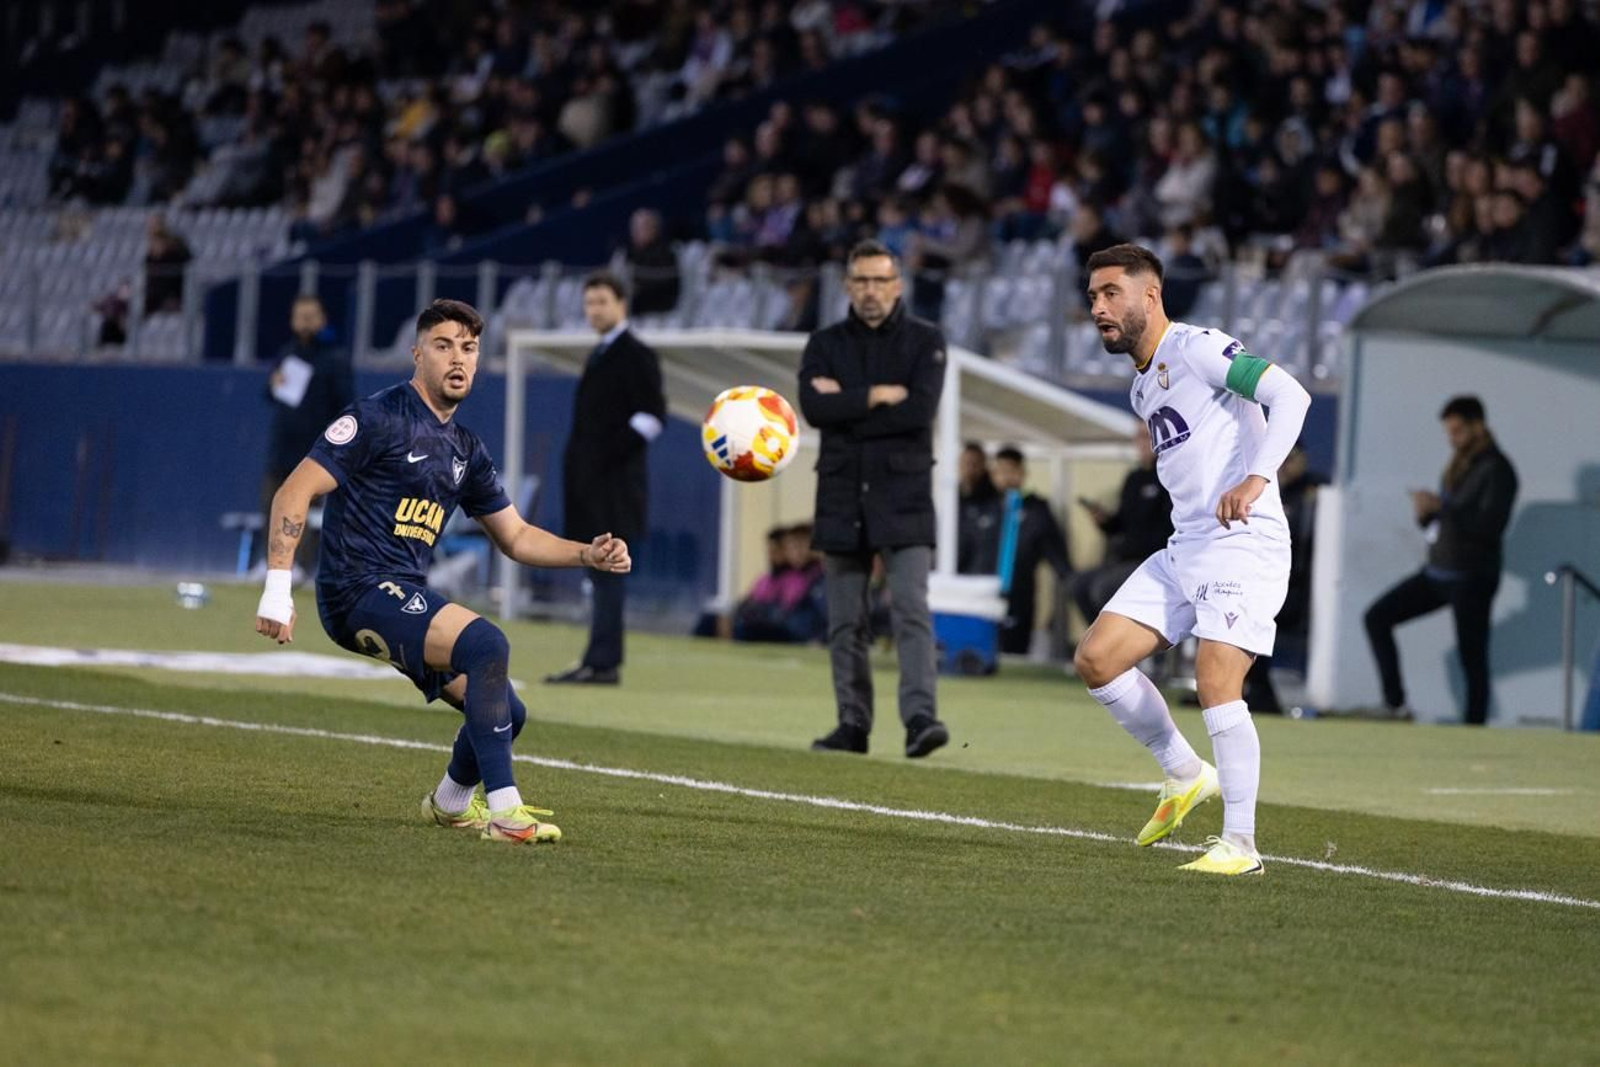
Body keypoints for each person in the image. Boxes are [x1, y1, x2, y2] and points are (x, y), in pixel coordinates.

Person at [252, 299, 632, 844]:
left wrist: (586, 555)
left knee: (506, 710)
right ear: (417, 354)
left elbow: (516, 536)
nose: (458, 358)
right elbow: (293, 491)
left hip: (402, 594)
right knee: (487, 644)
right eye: (444, 345)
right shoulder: (376, 418)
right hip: (356, 590)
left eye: (469, 348)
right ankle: (506, 813)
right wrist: (277, 589)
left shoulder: (465, 450)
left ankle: (450, 803)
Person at [1073, 244, 1311, 877]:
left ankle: (1241, 845)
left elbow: (1291, 396)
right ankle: (1184, 772)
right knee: (1097, 658)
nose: (1098, 307)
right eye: (1093, 296)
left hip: (1243, 541)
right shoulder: (1142, 386)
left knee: (1215, 679)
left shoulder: (1199, 348)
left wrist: (1257, 478)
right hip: (1189, 547)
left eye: (1111, 294)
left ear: (1150, 296)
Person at [798, 239, 950, 759]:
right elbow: (813, 409)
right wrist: (874, 397)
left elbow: (918, 411)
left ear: (897, 285)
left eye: (880, 281)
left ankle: (921, 720)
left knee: (911, 611)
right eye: (861, 281)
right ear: (847, 286)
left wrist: (844, 406)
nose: (870, 290)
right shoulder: (824, 342)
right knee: (845, 622)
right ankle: (852, 725)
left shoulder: (926, 340)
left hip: (904, 497)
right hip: (842, 496)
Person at [1363, 396, 1518, 725]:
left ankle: (1474, 727)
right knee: (1377, 617)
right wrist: (1426, 513)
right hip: (1439, 573)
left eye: (1458, 430)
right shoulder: (1460, 465)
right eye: (1449, 432)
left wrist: (1443, 508)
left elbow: (1489, 528)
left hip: (1473, 576)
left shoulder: (1497, 470)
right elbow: (1443, 523)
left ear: (1478, 426)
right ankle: (1395, 704)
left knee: (1471, 655)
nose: (1452, 438)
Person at [545, 272, 667, 686]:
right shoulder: (600, 353)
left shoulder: (635, 354)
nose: (593, 310)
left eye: (601, 302)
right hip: (590, 485)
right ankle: (596, 658)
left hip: (615, 488)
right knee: (597, 573)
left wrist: (606, 456)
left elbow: (652, 417)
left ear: (621, 304)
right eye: (589, 303)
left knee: (608, 570)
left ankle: (603, 663)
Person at [256, 295, 353, 575]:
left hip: (315, 449)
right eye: (300, 317)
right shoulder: (287, 353)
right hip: (282, 447)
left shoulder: (335, 359)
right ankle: (269, 562)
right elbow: (269, 394)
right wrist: (273, 384)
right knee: (273, 503)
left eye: (311, 316)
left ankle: (302, 566)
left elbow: (345, 403)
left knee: (309, 509)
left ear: (322, 319)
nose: (305, 323)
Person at [1070, 423, 1172, 624]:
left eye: (1146, 436)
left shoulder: (1169, 477)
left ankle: (1124, 638)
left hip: (1152, 561)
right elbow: (1121, 525)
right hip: (1124, 560)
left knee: (1102, 589)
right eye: (1138, 437)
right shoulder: (1133, 478)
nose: (1141, 443)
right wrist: (1104, 521)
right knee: (1078, 584)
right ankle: (1102, 639)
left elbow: (1169, 528)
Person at [990, 446, 1073, 655]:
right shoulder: (985, 505)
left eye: (1011, 470)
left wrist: (1068, 577)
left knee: (1015, 649)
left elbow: (1053, 548)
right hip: (984, 587)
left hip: (1020, 589)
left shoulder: (1036, 508)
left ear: (1022, 473)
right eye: (1001, 471)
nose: (1006, 477)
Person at [957, 441, 1001, 575]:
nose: (969, 468)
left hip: (983, 576)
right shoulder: (950, 500)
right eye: (966, 463)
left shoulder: (995, 502)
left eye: (974, 464)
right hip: (954, 575)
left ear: (983, 466)